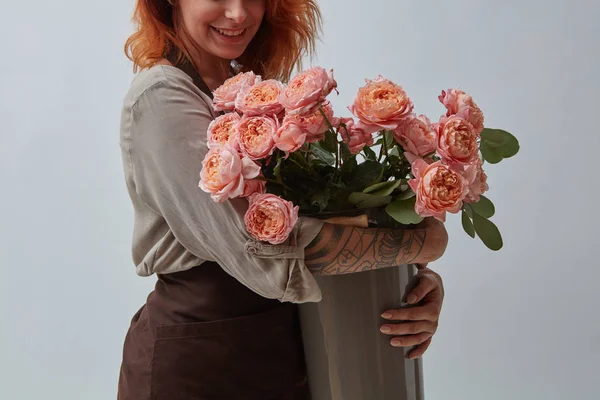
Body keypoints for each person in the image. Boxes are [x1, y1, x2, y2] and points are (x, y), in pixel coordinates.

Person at [117, 0, 448, 399]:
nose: (238, 14)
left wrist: (411, 289)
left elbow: (327, 219)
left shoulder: (250, 93)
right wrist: (421, 245)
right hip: (198, 366)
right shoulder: (160, 97)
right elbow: (263, 248)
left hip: (288, 351)